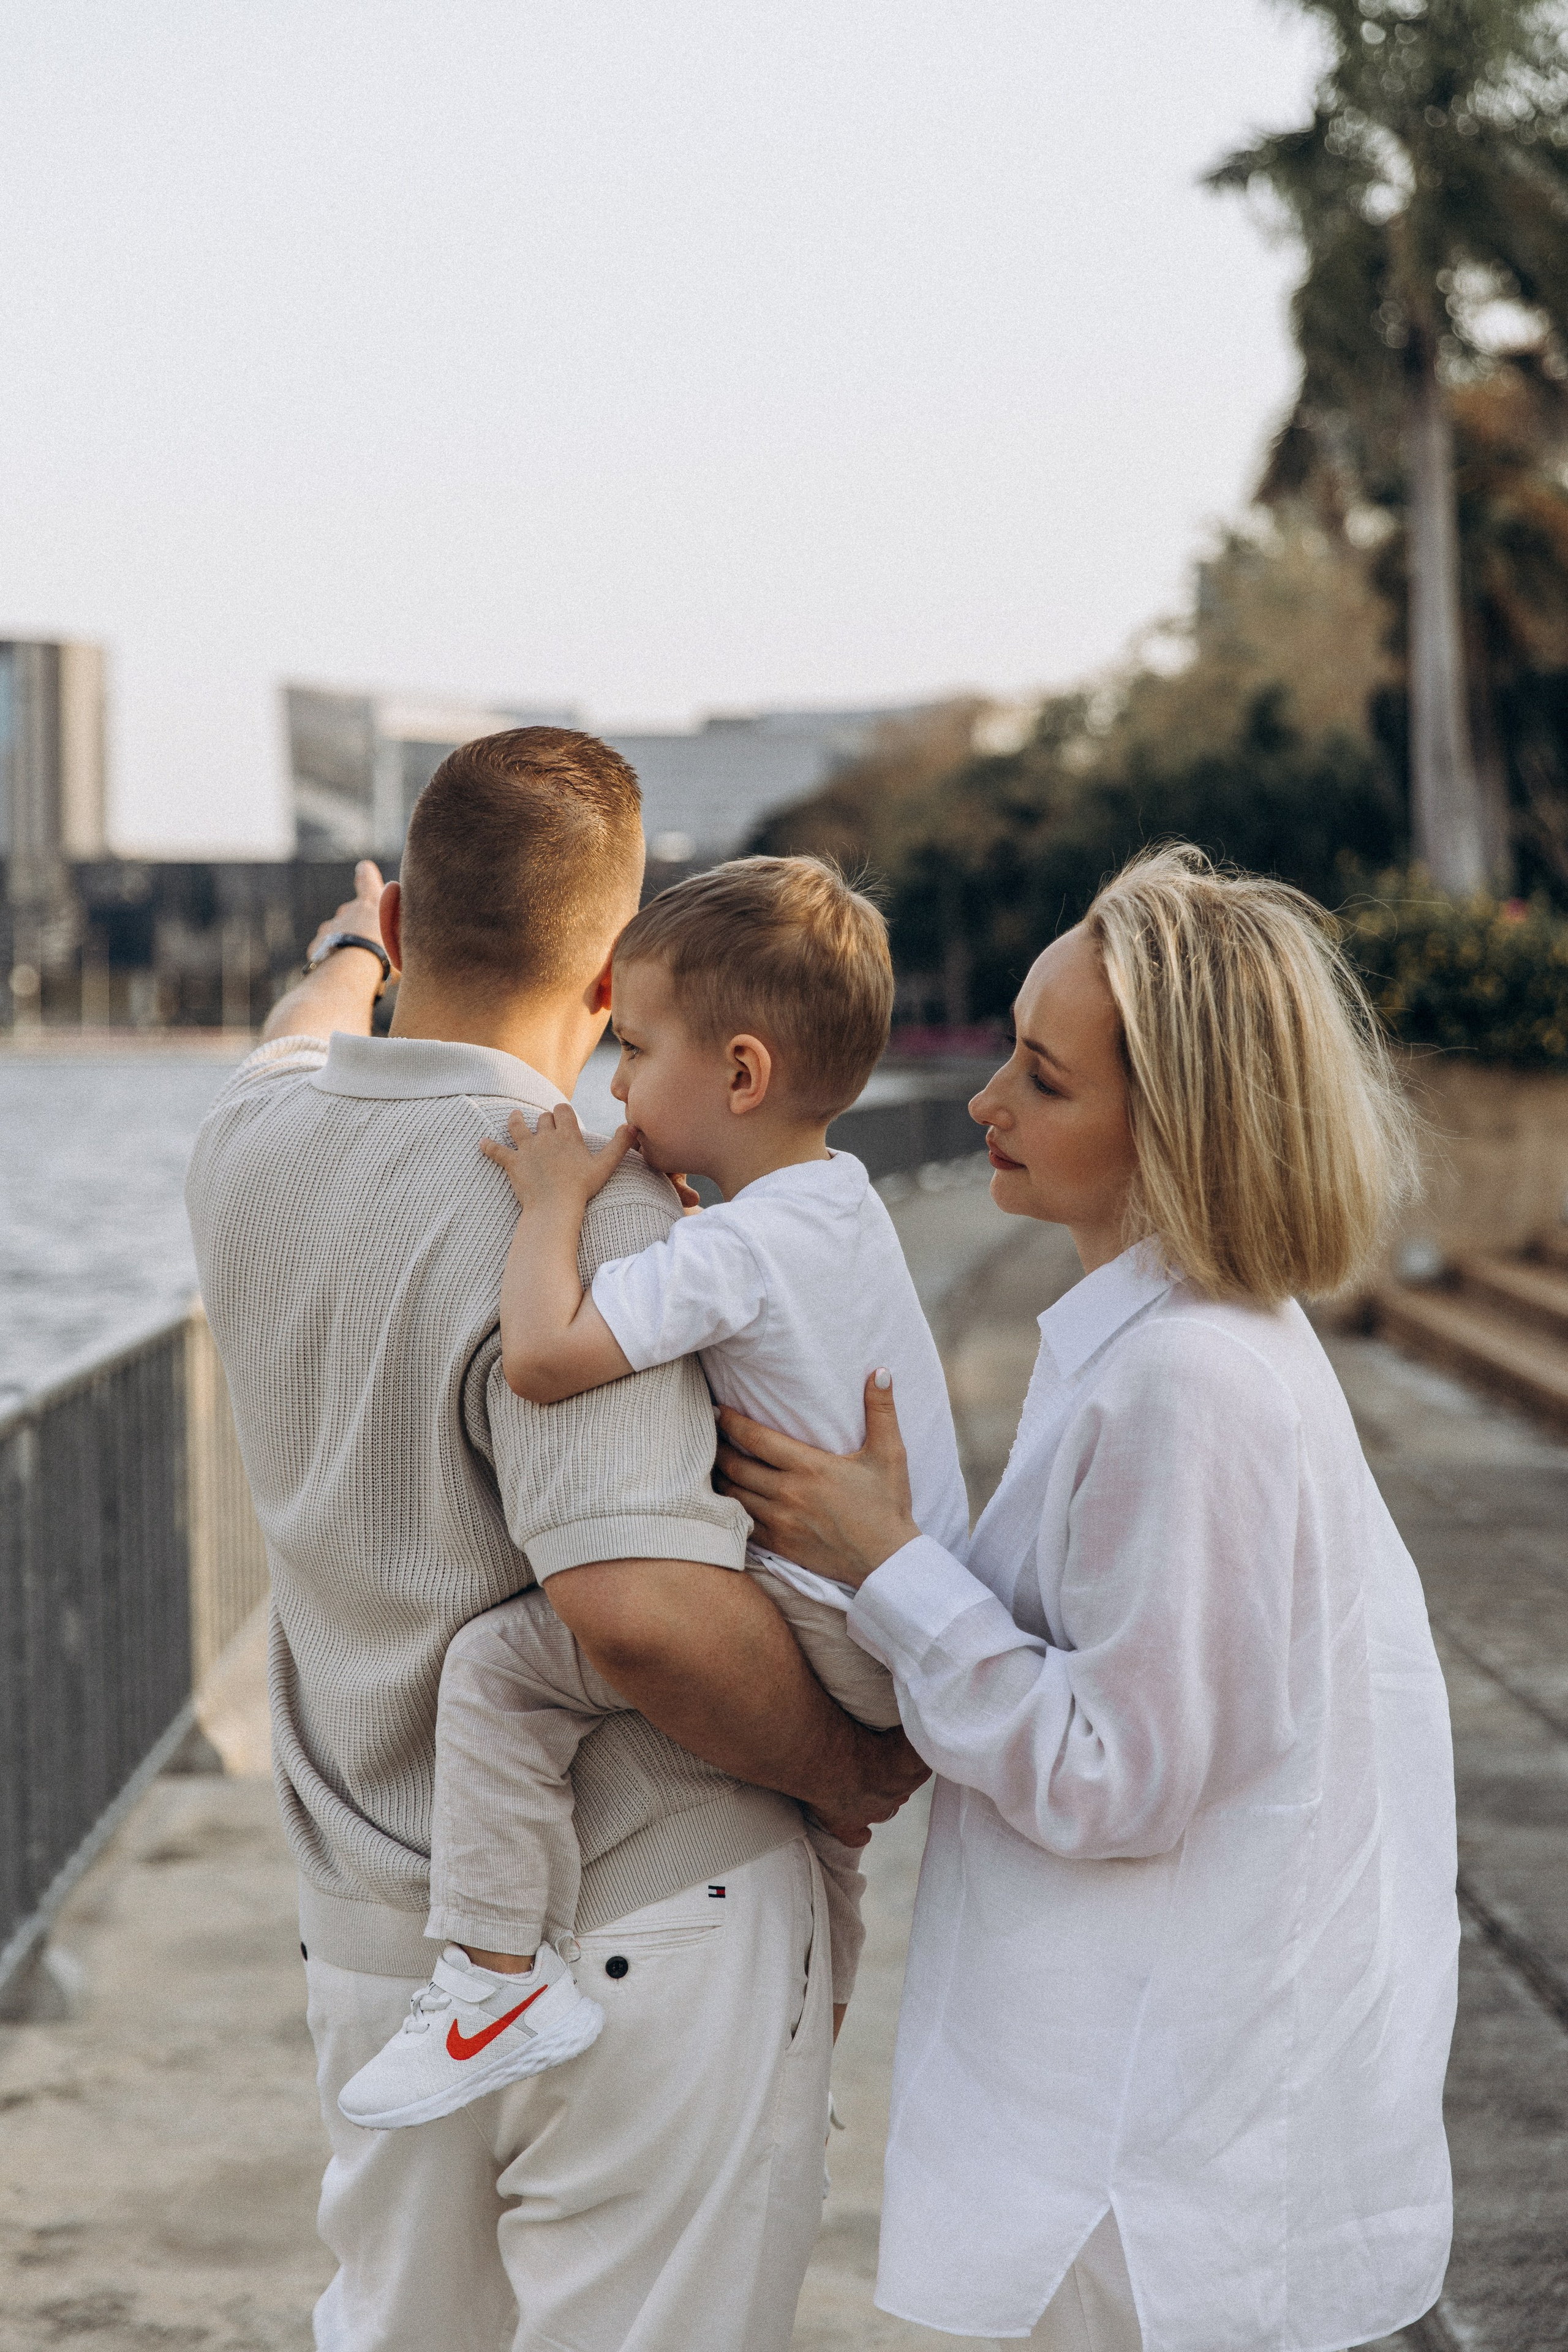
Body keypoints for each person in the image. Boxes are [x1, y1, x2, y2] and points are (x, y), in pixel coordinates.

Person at [186, 728, 926, 2352]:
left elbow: (298, 1033)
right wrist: (850, 1771)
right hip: (647, 1921)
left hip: (385, 1945)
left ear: (417, 920)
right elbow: (635, 1609)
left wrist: (345, 954)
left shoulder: (247, 1141)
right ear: (614, 971)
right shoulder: (599, 1215)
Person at [716, 845, 1460, 2352]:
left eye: (1042, 1080)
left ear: (1173, 1124)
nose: (986, 1102)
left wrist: (889, 1562)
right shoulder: (1175, 1342)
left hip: (1153, 2172)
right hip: (1157, 2126)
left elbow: (1119, 1771)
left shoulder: (1189, 1382)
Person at [337, 856, 970, 2131]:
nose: (613, 1084)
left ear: (739, 1075)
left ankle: (492, 1978)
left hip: (835, 1620)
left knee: (500, 1674)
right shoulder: (835, 1207)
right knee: (825, 1837)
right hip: (908, 1615)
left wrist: (552, 1206)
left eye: (636, 1048)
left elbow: (544, 1357)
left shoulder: (727, 1251)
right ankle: (812, 2049)